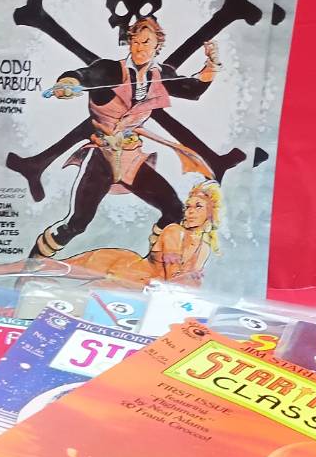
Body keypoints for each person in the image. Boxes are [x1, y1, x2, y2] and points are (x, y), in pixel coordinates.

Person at [18, 16, 221, 261]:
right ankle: (33, 263)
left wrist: (212, 65)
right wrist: (67, 84)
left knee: (175, 211)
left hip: (131, 159)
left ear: (157, 45)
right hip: (101, 157)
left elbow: (192, 89)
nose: (139, 48)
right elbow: (82, 75)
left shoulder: (161, 75)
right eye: (135, 42)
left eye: (146, 42)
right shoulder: (109, 70)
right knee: (78, 223)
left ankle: (153, 265)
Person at [61, 179, 221, 285]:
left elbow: (188, 288)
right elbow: (172, 278)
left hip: (143, 288)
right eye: (188, 207)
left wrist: (190, 281)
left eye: (198, 206)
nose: (190, 212)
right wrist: (189, 279)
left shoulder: (204, 249)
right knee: (61, 274)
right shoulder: (174, 231)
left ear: (210, 213)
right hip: (129, 274)